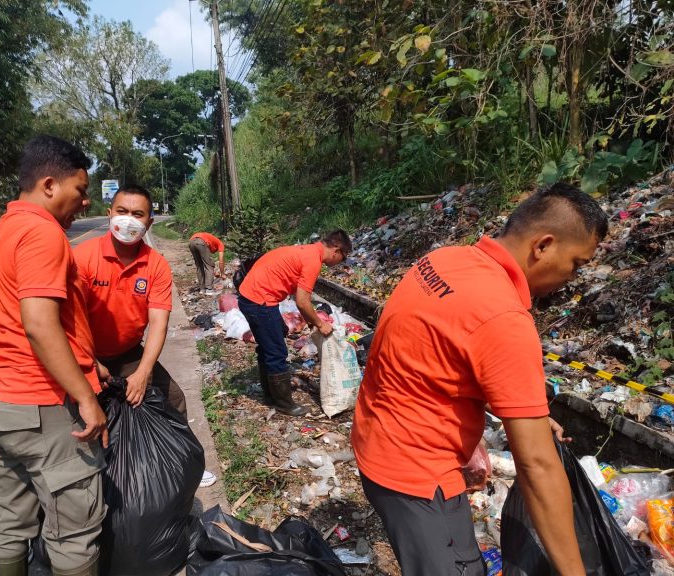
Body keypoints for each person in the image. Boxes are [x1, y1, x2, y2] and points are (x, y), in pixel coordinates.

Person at [351, 183, 608, 575]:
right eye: (576, 263)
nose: (573, 276)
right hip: (417, 477)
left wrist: (530, 416)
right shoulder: (504, 317)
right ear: (543, 246)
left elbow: (439, 358)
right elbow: (537, 466)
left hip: (375, 443)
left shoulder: (447, 260)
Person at [0, 135, 107, 576]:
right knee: (73, 531)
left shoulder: (3, 229)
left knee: (9, 522)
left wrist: (88, 358)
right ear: (49, 185)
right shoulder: (43, 233)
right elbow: (38, 322)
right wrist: (85, 396)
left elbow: (27, 316)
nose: (84, 202)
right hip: (39, 407)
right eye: (80, 191)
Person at [74, 185, 215, 487]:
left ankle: (184, 462)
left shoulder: (156, 265)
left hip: (128, 352)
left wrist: (143, 371)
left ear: (150, 222)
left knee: (172, 398)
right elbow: (69, 320)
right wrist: (89, 362)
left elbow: (158, 322)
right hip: (85, 353)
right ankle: (94, 477)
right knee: (89, 413)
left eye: (138, 214)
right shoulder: (83, 257)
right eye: (122, 212)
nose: (128, 220)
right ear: (109, 214)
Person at [238, 230, 352, 416]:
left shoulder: (306, 251)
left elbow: (298, 295)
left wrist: (310, 320)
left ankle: (269, 395)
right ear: (337, 250)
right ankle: (284, 403)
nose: (340, 262)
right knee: (276, 351)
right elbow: (302, 301)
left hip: (252, 295)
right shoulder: (312, 261)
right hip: (260, 300)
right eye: (343, 258)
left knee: (271, 342)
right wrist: (320, 324)